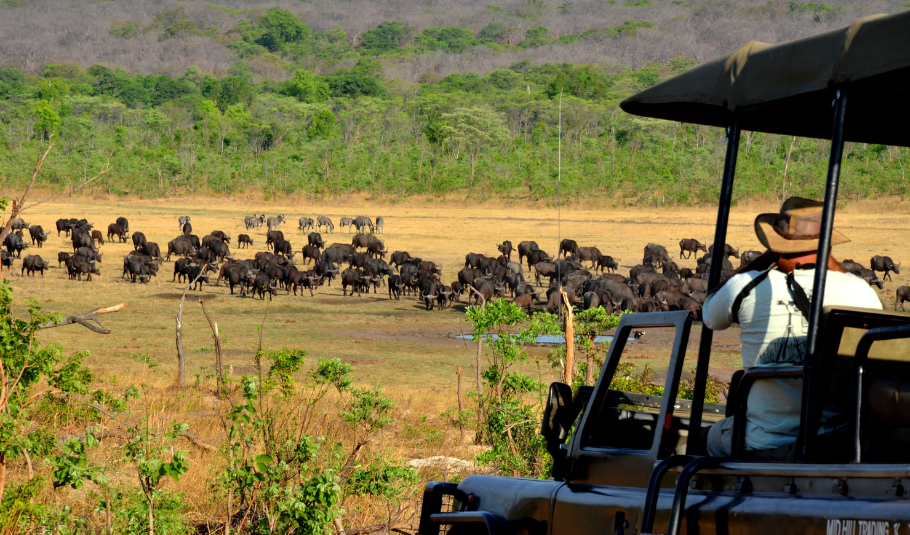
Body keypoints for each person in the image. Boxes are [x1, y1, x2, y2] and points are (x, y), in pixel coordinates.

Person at [701, 197, 882, 458]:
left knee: (702, 440)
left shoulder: (746, 285)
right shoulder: (861, 292)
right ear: (827, 244)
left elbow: (710, 314)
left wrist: (766, 257)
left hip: (762, 441)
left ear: (776, 241)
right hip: (839, 440)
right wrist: (827, 257)